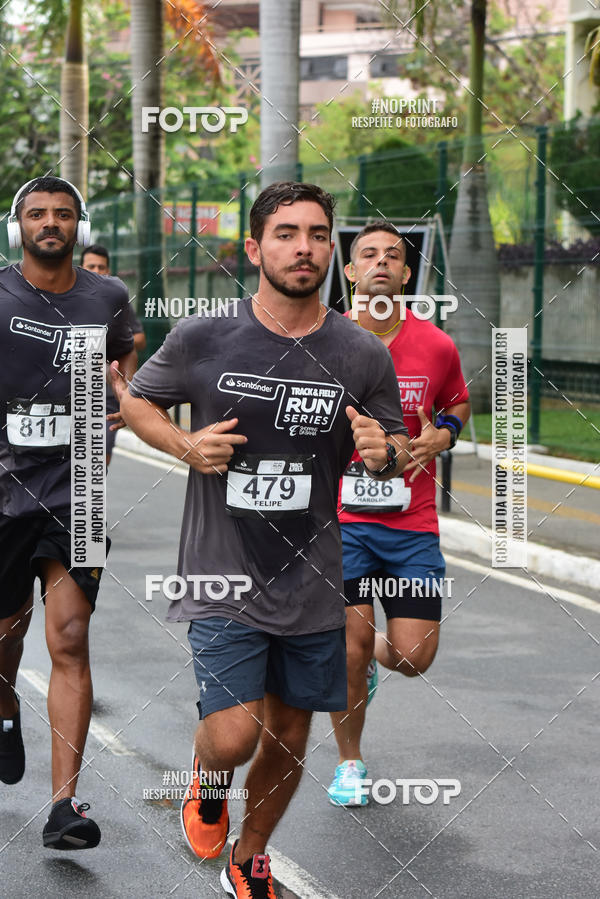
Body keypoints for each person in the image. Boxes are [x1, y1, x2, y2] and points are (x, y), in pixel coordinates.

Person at [119, 183, 410, 897]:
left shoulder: (360, 352)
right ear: (255, 248)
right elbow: (135, 401)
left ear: (329, 251)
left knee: (287, 731)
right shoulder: (204, 336)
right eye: (285, 233)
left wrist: (384, 450)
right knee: (234, 734)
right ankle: (207, 779)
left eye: (316, 234)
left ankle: (249, 857)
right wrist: (186, 445)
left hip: (312, 576)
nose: (302, 247)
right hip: (222, 571)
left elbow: (397, 445)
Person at [0, 176, 136, 848]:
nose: (49, 222)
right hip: (2, 491)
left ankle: (64, 806)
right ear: (17, 224)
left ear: (79, 226)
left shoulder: (106, 297)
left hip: (76, 490)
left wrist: (112, 418)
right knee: (4, 638)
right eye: (36, 213)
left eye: (62, 214)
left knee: (70, 638)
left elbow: (122, 372)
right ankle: (3, 708)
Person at [326, 220, 471, 806]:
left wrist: (446, 433)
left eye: (394, 255)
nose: (382, 262)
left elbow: (458, 399)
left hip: (411, 526)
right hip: (345, 523)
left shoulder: (435, 344)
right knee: (349, 645)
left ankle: (378, 661)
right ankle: (350, 764)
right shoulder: (325, 341)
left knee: (414, 656)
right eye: (368, 254)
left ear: (407, 274)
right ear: (352, 271)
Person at [80, 244, 146, 465]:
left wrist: (102, 341)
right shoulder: (66, 299)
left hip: (106, 394)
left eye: (102, 267)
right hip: (71, 393)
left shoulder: (116, 301)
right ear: (81, 268)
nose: (97, 271)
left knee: (98, 464)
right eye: (91, 266)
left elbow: (138, 339)